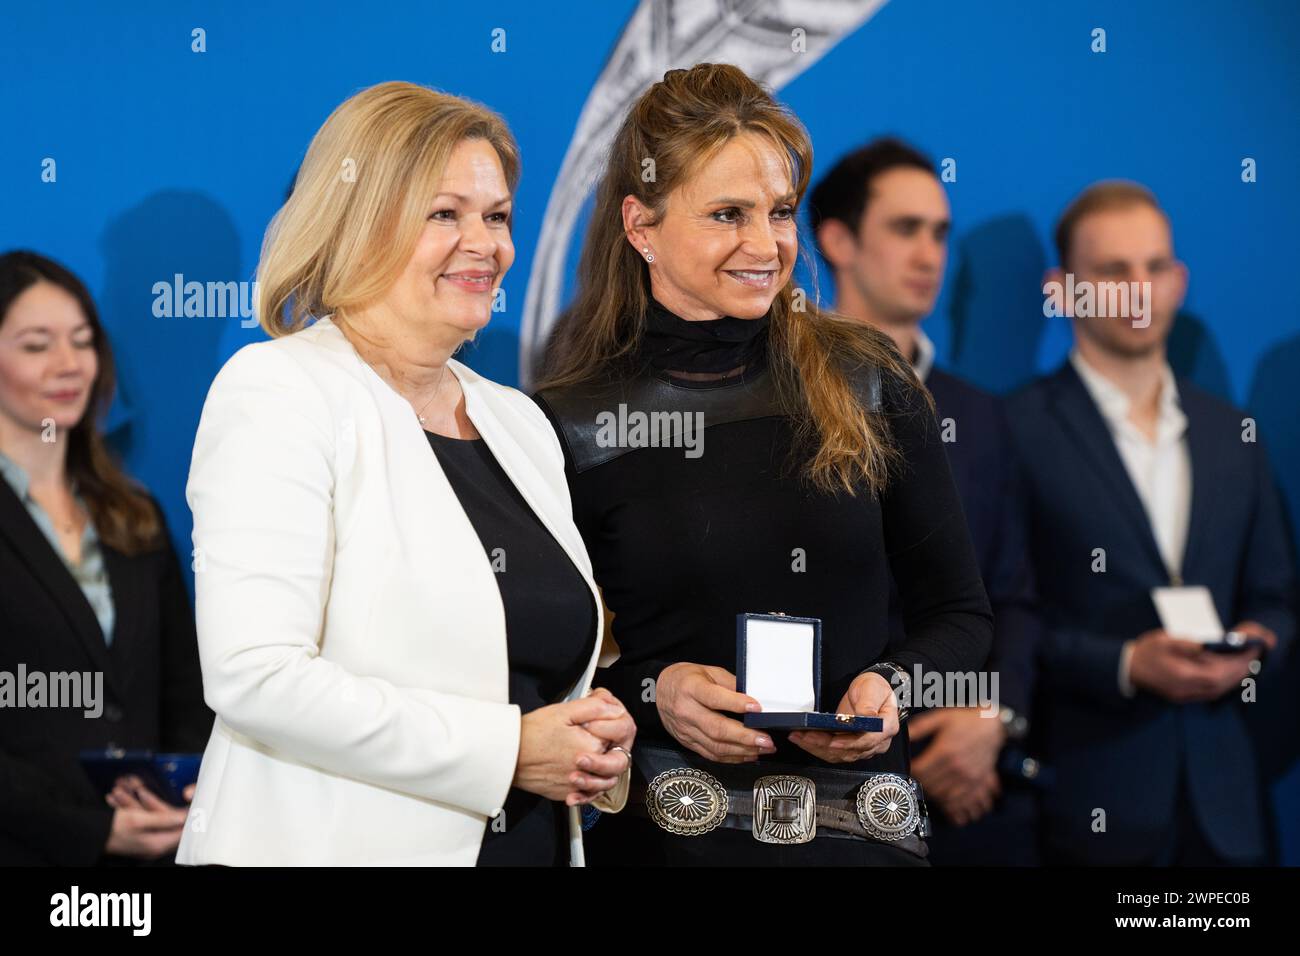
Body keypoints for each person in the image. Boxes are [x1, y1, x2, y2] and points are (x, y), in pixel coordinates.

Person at [534, 63, 992, 866]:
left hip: (864, 844)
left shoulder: (869, 377)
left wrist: (893, 686)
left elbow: (960, 616)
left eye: (780, 213)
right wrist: (655, 691)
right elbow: (547, 666)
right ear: (641, 226)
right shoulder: (571, 421)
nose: (765, 244)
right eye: (726, 215)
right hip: (668, 843)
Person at [176, 81, 633, 867]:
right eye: (445, 214)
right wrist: (506, 750)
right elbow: (256, 675)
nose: (485, 244)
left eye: (496, 216)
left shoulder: (518, 422)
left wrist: (590, 736)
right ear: (358, 223)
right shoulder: (279, 390)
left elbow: (531, 673)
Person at [1005, 180, 1295, 865]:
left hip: (1231, 814)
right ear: (1062, 288)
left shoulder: (1235, 434)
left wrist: (1258, 643)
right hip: (1082, 808)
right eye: (1112, 271)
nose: (1139, 288)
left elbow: (1278, 595)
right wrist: (1128, 664)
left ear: (1179, 280)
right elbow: (996, 620)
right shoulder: (1012, 431)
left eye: (1155, 267)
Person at [809, 138, 1042, 865]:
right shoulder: (779, 398)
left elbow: (1015, 596)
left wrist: (991, 719)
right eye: (905, 228)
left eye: (940, 232)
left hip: (967, 785)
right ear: (837, 240)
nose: (929, 253)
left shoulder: (980, 414)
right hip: (818, 775)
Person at [0, 250, 212, 865]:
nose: (69, 365)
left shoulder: (131, 513)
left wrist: (179, 795)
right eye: (37, 345)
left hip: (153, 855)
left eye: (82, 341)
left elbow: (185, 688)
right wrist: (87, 829)